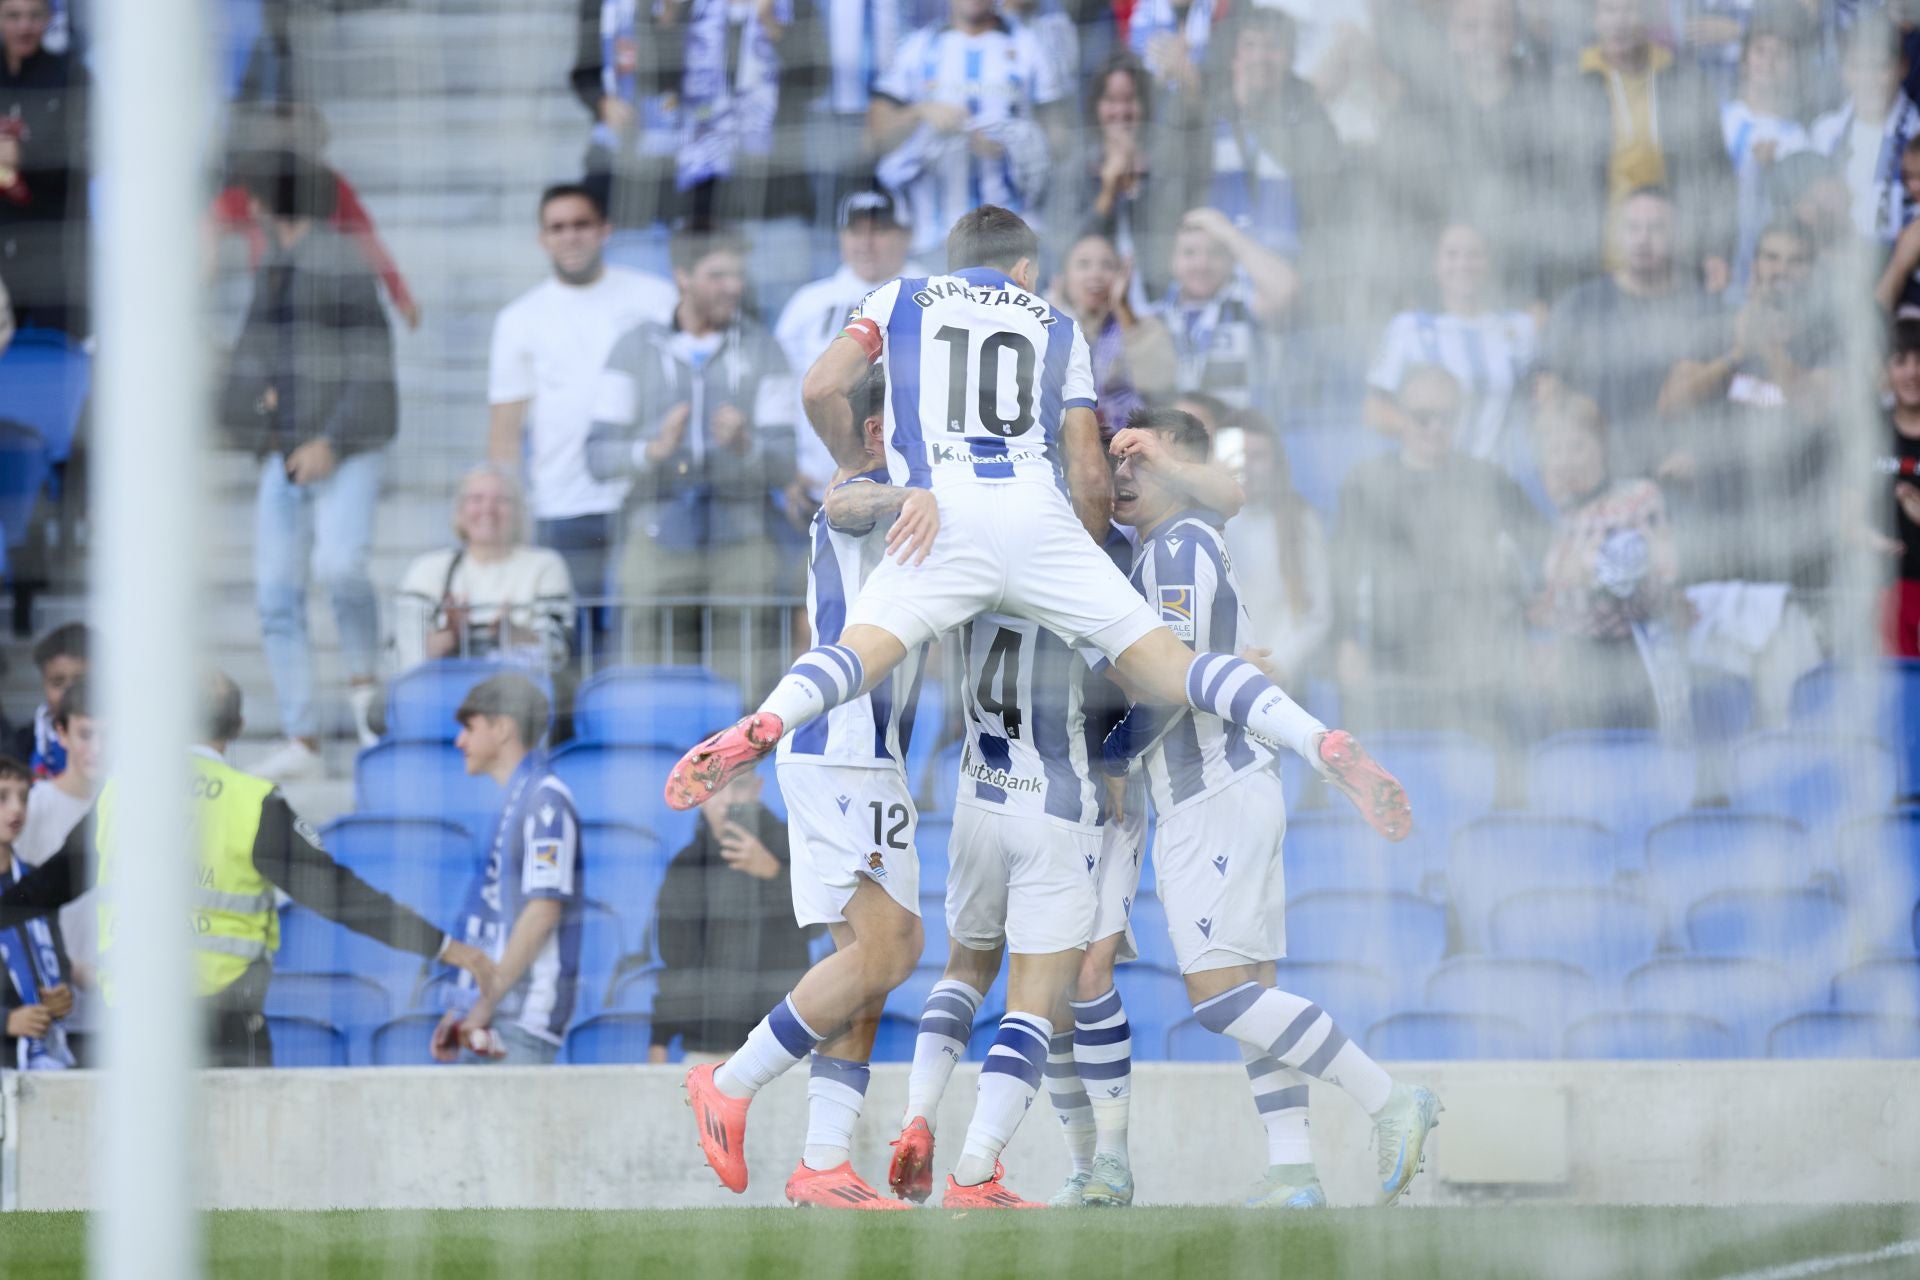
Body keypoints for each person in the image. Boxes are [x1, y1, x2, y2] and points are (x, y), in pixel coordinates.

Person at [672, 206, 1411, 1198]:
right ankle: (1316, 740)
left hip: (971, 771)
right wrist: (1093, 524)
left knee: (929, 921)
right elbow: (1088, 462)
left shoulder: (900, 307)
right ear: (1023, 267)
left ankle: (766, 718)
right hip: (1064, 759)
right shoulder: (1054, 326)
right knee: (1165, 695)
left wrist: (883, 465)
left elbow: (820, 389)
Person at [1101, 406, 1442, 1210]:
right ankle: (1293, 1171)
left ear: (1179, 468)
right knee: (1254, 990)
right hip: (1236, 785)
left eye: (1138, 461)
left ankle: (1389, 1097)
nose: (1121, 475)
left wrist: (1116, 755)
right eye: (1116, 460)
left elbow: (1173, 686)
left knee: (1221, 1000)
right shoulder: (1180, 545)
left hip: (1208, 789)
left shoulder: (1177, 548)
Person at [672, 369, 932, 1206]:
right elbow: (844, 502)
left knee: (864, 966)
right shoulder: (866, 494)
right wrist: (908, 500)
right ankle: (733, 1083)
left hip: (867, 752)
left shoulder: (924, 495)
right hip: (842, 746)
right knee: (894, 950)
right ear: (867, 433)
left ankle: (824, 1161)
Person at [0, 673, 498, 1067]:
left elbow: (45, 888)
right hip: (225, 1021)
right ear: (237, 728)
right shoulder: (252, 802)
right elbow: (341, 896)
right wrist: (444, 947)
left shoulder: (120, 793)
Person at [219, 151, 397, 777]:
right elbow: (246, 361)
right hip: (283, 453)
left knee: (341, 567)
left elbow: (374, 364)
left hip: (343, 449)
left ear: (269, 203)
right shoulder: (272, 267)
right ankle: (304, 739)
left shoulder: (342, 261)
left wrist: (332, 441)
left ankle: (368, 712)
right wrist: (262, 416)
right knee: (275, 595)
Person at [584, 222, 798, 677]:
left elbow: (784, 463)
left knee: (745, 676)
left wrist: (746, 446)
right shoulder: (633, 348)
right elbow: (598, 456)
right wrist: (652, 450)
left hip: (741, 534)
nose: (733, 287)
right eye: (718, 276)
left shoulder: (765, 349)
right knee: (647, 668)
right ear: (682, 277)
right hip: (657, 529)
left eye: (737, 276)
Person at [487, 183, 675, 646]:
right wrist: (515, 512)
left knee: (646, 634)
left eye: (581, 224)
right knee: (571, 641)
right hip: (562, 502)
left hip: (647, 491)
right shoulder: (519, 319)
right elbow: (505, 432)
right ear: (543, 239)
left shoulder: (657, 298)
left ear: (604, 230)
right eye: (557, 227)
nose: (570, 236)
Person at [1333, 365, 1547, 743]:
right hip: (1394, 657)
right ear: (1399, 416)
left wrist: (1539, 633)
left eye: (1446, 417)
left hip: (1477, 661)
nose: (1435, 427)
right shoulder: (1366, 484)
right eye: (1422, 417)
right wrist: (1348, 642)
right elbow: (1344, 571)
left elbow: (1544, 550)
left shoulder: (1488, 480)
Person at [431, 673, 585, 1065]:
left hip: (518, 1020)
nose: (459, 741)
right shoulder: (516, 801)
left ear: (502, 728)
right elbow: (489, 918)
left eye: (469, 727)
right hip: (492, 1017)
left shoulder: (545, 801)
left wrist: (483, 1003)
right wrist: (461, 1009)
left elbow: (542, 911)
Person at [1536, 0, 1733, 292]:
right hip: (1596, 267)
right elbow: (1550, 187)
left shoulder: (1685, 81)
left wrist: (1717, 249)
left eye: (1630, 9)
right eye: (1609, 10)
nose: (1620, 22)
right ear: (1594, 19)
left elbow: (1716, 173)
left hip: (1676, 267)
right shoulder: (1570, 88)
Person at [1539, 187, 1721, 483]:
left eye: (1656, 228)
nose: (1643, 239)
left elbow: (1731, 398)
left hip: (1684, 482)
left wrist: (1700, 451)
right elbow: (1545, 386)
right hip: (1598, 483)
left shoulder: (1707, 312)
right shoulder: (1579, 306)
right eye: (1632, 228)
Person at [1530, 392, 1683, 732]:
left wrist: (1593, 568)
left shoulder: (1639, 497)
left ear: (1602, 444)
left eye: (1577, 446)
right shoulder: (1565, 516)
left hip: (1631, 666)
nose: (1565, 460)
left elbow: (1658, 589)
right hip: (1574, 674)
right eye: (1554, 451)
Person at [866, 0, 1063, 258]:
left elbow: (1061, 141)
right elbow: (872, 140)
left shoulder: (1030, 46)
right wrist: (919, 113)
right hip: (934, 242)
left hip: (1012, 242)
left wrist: (1012, 145)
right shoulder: (916, 48)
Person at [649, 768, 814, 1067]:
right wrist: (658, 1040)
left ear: (757, 788)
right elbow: (675, 961)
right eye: (714, 789)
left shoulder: (793, 845)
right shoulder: (686, 864)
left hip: (781, 1039)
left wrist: (773, 874)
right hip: (708, 1044)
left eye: (737, 787)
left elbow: (819, 927)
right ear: (698, 797)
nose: (726, 801)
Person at [212, 102, 421, 330]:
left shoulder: (332, 187)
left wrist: (401, 295)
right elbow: (211, 221)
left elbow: (366, 240)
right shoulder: (253, 190)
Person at [774, 190, 916, 502]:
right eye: (855, 231)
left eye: (878, 231)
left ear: (907, 236)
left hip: (913, 492)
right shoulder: (807, 305)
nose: (865, 242)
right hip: (821, 490)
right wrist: (787, 471)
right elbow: (783, 390)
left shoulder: (935, 295)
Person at [1364, 220, 1538, 466]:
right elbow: (1374, 412)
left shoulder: (1518, 328)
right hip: (1431, 475)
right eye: (1451, 254)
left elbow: (1543, 403)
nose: (1463, 264)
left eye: (1474, 254)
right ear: (1435, 264)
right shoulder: (1408, 328)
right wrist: (1424, 431)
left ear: (1490, 262)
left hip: (1498, 478)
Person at [391, 466, 577, 676]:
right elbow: (407, 658)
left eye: (502, 500)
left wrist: (514, 634)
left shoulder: (545, 565)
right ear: (460, 512)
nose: (488, 508)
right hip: (443, 694)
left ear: (519, 513)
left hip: (517, 694)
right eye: (476, 499)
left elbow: (557, 655)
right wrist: (451, 637)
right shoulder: (427, 569)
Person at [1063, 51, 1204, 309]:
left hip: (1161, 306)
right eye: (1111, 100)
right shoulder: (1077, 170)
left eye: (1130, 100)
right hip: (1096, 313)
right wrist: (1107, 193)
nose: (1121, 111)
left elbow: (1175, 233)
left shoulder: (1168, 165)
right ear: (1096, 106)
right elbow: (1067, 251)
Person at [1219, 409, 1332, 687]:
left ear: (1276, 463)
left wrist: (1278, 665)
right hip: (1218, 683)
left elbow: (1316, 614)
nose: (1246, 466)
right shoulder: (1206, 524)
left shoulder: (1299, 521)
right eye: (1238, 454)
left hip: (1279, 686)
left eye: (1258, 456)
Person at [14, 676, 98, 1048]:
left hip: (127, 1017)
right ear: (61, 734)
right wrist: (69, 969)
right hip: (57, 1020)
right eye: (86, 734)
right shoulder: (32, 808)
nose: (99, 748)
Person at [0, 0, 88, 337]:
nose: (24, 27)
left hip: (51, 251)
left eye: (34, 16)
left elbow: (85, 153)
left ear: (50, 19)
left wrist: (25, 154)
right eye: (13, 16)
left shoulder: (69, 74)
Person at [1158, 211, 1294, 410]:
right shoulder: (1158, 314)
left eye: (1214, 253)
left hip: (1240, 430)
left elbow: (1286, 290)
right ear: (1172, 260)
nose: (1202, 264)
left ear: (1231, 260)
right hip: (1181, 434)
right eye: (1189, 253)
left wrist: (1229, 234)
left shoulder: (1244, 302)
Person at [1719, 10, 1813, 295]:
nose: (1769, 63)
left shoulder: (1797, 138)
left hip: (1765, 262)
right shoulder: (1720, 118)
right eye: (1760, 52)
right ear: (1745, 60)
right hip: (1720, 248)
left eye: (1780, 55)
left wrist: (1777, 171)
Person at [1811, 11, 1920, 247]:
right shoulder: (1824, 132)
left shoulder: (1916, 134)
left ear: (1902, 67)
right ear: (1843, 70)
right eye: (1858, 67)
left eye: (1880, 67)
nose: (1868, 79)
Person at [1056, 230, 1176, 433]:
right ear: (1063, 278)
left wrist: (1123, 309)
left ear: (1123, 273)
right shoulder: (1044, 327)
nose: (1095, 274)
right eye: (1083, 264)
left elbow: (1158, 385)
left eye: (1107, 265)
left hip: (1132, 450)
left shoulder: (1145, 326)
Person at [0, 756, 74, 1069]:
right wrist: (5, 1020)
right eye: (2, 797)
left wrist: (63, 994)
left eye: (24, 797)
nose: (17, 808)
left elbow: (59, 962)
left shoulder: (35, 881)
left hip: (42, 1060)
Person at [1875, 319, 1920, 657]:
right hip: (1878, 591)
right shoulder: (1869, 431)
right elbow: (1844, 514)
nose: (1912, 373)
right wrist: (1864, 536)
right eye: (1901, 361)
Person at [10, 621, 87, 780]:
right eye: (58, 682)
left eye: (80, 681)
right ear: (44, 684)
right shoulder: (21, 745)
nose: (69, 692)